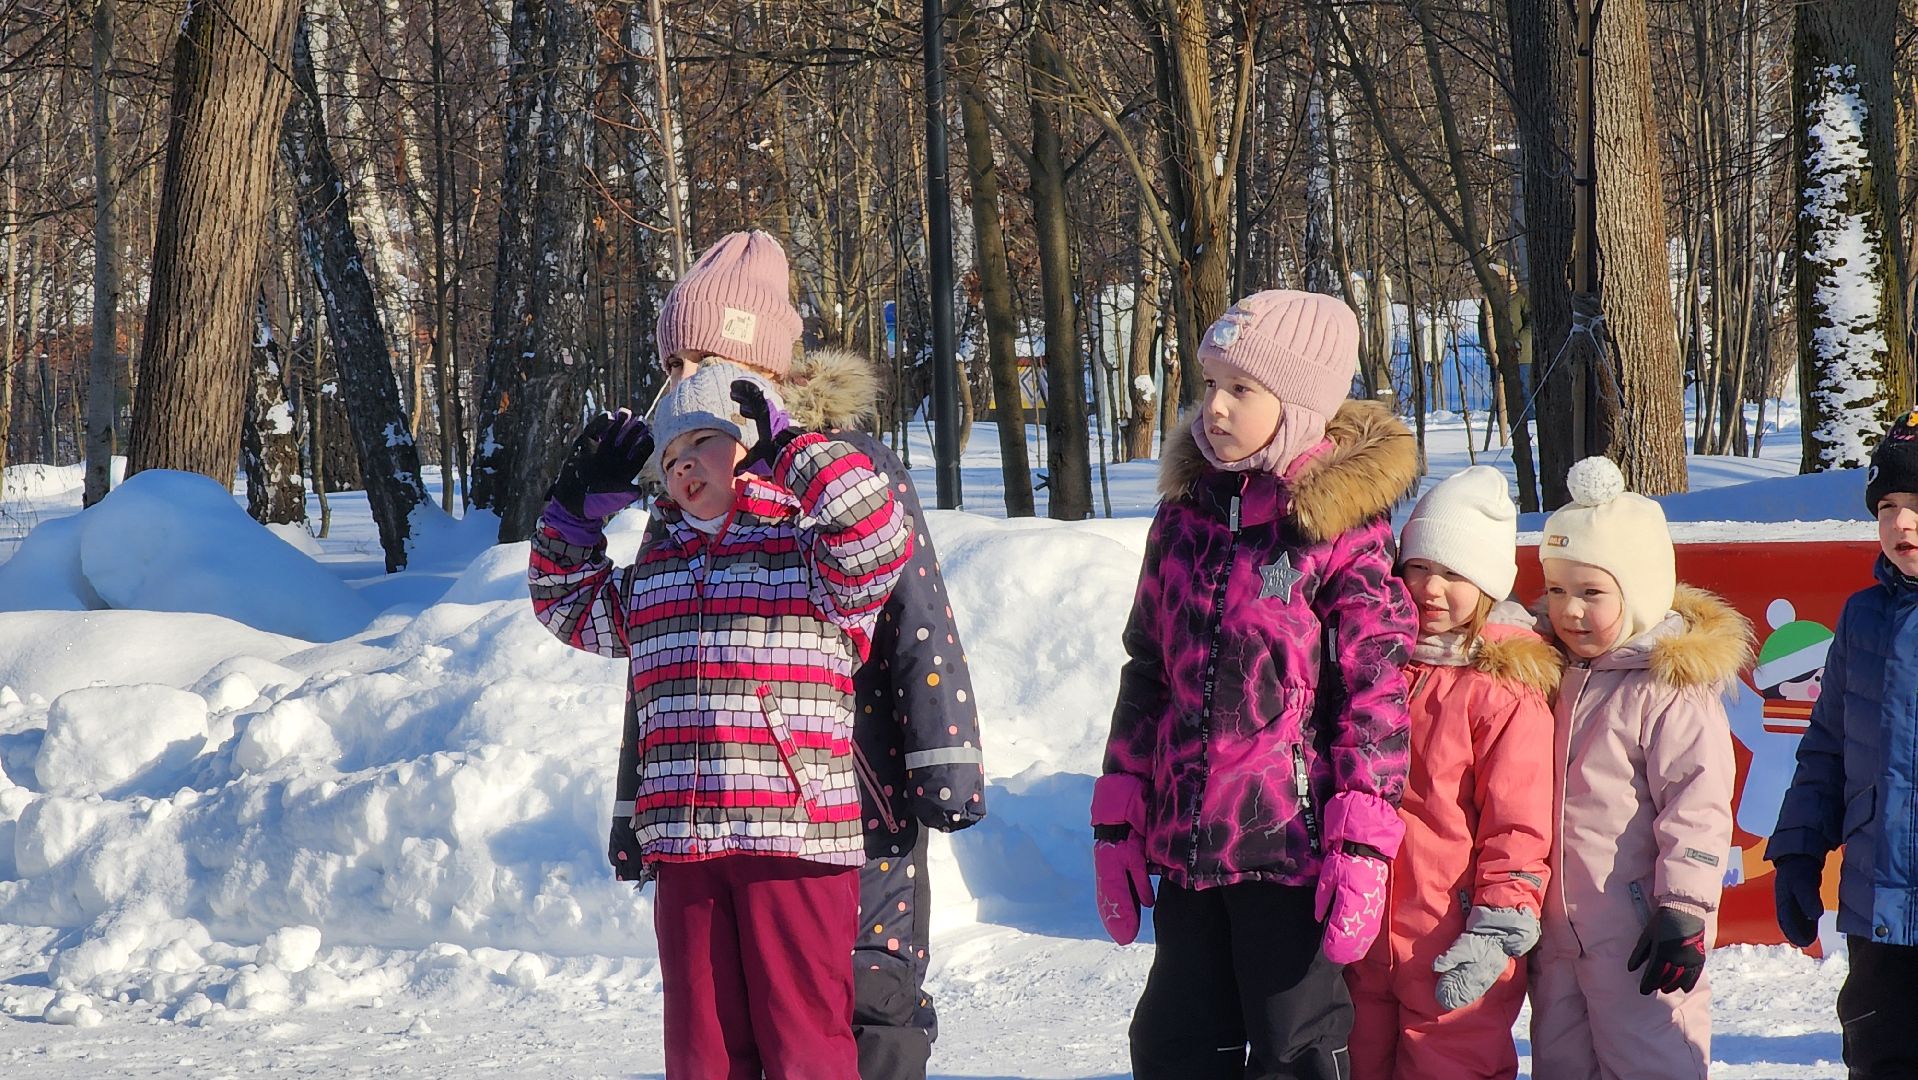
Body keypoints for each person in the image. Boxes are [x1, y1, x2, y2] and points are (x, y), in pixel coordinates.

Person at [615, 229, 987, 1079]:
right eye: (671, 368)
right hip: (715, 802)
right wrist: (634, 802)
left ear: (759, 371)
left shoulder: (849, 471)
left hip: (859, 783)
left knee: (860, 988)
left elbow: (919, 621)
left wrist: (945, 759)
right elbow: (661, 667)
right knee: (734, 1007)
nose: (682, 388)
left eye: (701, 363)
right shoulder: (684, 497)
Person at [528, 360, 912, 1078]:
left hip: (794, 842)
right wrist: (572, 513)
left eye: (701, 442)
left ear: (748, 444)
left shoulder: (810, 556)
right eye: (668, 458)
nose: (681, 467)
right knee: (702, 1055)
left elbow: (877, 535)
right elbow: (566, 604)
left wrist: (797, 451)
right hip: (686, 844)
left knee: (804, 1047)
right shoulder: (657, 573)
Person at [1095, 289, 1419, 1080]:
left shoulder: (1338, 531)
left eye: (1242, 389)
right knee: (1172, 1044)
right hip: (1188, 846)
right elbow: (1147, 669)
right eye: (1210, 386)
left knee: (1293, 1047)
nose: (1215, 408)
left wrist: (1361, 840)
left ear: (1301, 406)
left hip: (1291, 849)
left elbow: (1373, 691)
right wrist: (1120, 810)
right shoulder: (1183, 519)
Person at [1527, 456, 1752, 1080]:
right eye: (1557, 590)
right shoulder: (1553, 672)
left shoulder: (1670, 687)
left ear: (1641, 591)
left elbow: (1697, 802)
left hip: (1642, 933)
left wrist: (1683, 907)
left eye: (1592, 592)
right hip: (1559, 941)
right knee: (1562, 1064)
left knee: (1652, 1061)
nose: (1570, 611)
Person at [1345, 466, 1555, 1080]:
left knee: (1453, 1065)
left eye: (1453, 574)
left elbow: (1518, 823)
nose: (1431, 588)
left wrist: (1498, 923)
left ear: (1487, 583)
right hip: (1363, 931)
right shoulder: (1377, 667)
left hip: (1454, 934)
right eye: (1418, 568)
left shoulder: (1502, 692)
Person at [1770, 407, 1918, 1078]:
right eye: (1887, 505)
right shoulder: (1863, 617)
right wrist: (1799, 850)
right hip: (1878, 911)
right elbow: (1827, 746)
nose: (1901, 523)